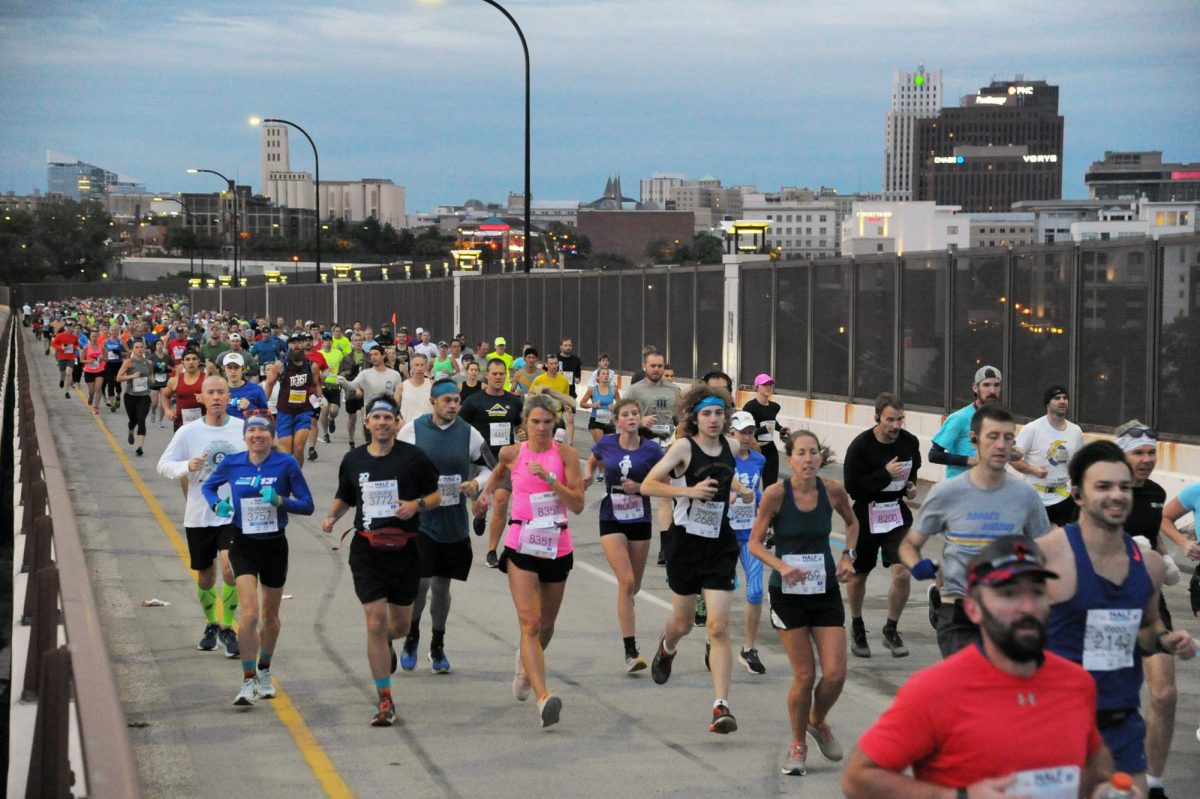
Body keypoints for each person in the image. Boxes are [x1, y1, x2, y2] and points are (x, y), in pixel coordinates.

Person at [843, 536, 1117, 798]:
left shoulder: (1077, 682)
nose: (1027, 606)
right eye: (1008, 593)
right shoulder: (934, 690)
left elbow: (1095, 764)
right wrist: (959, 796)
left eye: (1037, 592)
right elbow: (859, 779)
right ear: (973, 608)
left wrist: (1105, 789)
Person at [1042, 441, 1196, 796]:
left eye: (1123, 487)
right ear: (1077, 494)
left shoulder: (1151, 565)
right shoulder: (1046, 556)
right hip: (1054, 727)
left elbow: (1145, 630)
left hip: (1121, 725)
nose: (1117, 495)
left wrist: (1163, 640)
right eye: (1104, 486)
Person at [640, 385, 756, 734]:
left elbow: (724, 472)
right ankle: (667, 645)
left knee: (719, 626)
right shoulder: (683, 448)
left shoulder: (733, 446)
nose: (714, 419)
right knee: (685, 621)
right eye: (707, 413)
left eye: (720, 413)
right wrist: (686, 491)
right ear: (695, 417)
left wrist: (738, 487)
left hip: (719, 542)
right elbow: (648, 485)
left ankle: (721, 705)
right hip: (685, 543)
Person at [320, 395, 442, 727]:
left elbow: (436, 496)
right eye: (377, 418)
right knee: (375, 621)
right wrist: (332, 518)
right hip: (367, 549)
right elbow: (346, 496)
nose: (383, 423)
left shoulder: (414, 458)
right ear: (368, 423)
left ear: (397, 422)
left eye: (389, 417)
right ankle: (385, 699)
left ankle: (387, 641)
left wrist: (415, 504)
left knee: (399, 626)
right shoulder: (353, 459)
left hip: (406, 548)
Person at [901, 404, 1051, 657]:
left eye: (1008, 438)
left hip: (1006, 613)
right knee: (968, 690)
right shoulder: (947, 493)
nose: (1001, 445)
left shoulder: (1025, 495)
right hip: (958, 612)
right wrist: (916, 565)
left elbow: (1046, 549)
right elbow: (909, 545)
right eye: (993, 437)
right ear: (974, 440)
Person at [749, 429, 857, 775]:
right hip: (788, 593)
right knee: (805, 674)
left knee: (837, 672)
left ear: (821, 457)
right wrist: (782, 566)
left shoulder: (833, 490)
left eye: (813, 452)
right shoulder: (776, 494)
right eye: (801, 453)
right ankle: (798, 746)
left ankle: (818, 720)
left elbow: (852, 524)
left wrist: (847, 557)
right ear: (790, 458)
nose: (808, 459)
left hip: (823, 589)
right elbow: (755, 544)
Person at [472, 394, 584, 728]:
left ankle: (524, 666)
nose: (541, 428)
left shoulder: (566, 455)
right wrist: (484, 497)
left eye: (548, 422)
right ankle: (543, 697)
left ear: (555, 424)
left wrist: (551, 479)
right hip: (521, 542)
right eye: (535, 422)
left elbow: (577, 503)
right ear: (524, 424)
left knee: (546, 626)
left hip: (556, 543)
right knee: (530, 623)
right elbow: (498, 473)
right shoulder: (511, 452)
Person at [202, 414, 314, 706]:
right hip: (243, 543)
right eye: (251, 430)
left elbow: (308, 504)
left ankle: (265, 668)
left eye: (262, 430)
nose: (256, 435)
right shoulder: (233, 462)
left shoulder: (286, 464)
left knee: (270, 616)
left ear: (272, 436)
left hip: (275, 545)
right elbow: (207, 486)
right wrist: (218, 503)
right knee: (249, 615)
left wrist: (280, 501)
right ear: (244, 436)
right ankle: (248, 679)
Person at [397, 379, 493, 674]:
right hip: (422, 521)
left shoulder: (469, 433)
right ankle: (411, 636)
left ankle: (437, 645)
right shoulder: (413, 429)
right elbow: (396, 464)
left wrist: (477, 483)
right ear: (433, 401)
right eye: (447, 400)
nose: (453, 405)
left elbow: (492, 467)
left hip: (453, 521)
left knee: (441, 587)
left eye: (456, 401)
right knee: (420, 583)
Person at [156, 376, 247, 659]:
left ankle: (229, 628)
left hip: (233, 514)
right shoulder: (188, 432)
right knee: (206, 575)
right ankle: (212, 625)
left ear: (229, 395)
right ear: (201, 398)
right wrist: (187, 465)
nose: (217, 397)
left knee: (229, 566)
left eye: (221, 392)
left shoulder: (242, 429)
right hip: (199, 513)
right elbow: (163, 465)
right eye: (211, 393)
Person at [1116, 422, 1182, 799]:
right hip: (1106, 604)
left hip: (1150, 603)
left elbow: (1154, 536)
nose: (1146, 460)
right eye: (1138, 452)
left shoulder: (1156, 493)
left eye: (1151, 452)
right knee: (1103, 698)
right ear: (1122, 454)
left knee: (1165, 694)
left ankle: (1153, 782)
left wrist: (1163, 560)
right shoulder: (1105, 492)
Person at [584, 398, 664, 671]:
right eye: (625, 414)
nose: (630, 417)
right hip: (611, 515)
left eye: (635, 414)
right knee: (627, 582)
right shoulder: (607, 442)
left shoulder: (652, 450)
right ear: (617, 420)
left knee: (634, 588)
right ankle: (631, 651)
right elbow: (593, 460)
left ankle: (628, 619)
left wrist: (640, 487)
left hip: (640, 517)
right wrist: (586, 475)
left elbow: (664, 484)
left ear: (640, 419)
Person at [842, 393, 922, 659]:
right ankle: (857, 624)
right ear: (878, 417)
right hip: (865, 514)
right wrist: (884, 474)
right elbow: (853, 487)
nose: (896, 426)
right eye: (890, 420)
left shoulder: (910, 442)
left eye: (900, 419)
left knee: (903, 572)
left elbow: (913, 474)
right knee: (860, 573)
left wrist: (911, 488)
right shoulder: (861, 446)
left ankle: (891, 629)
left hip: (896, 513)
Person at [924, 364, 1003, 627]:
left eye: (996, 385)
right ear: (976, 388)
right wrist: (969, 460)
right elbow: (934, 454)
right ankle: (939, 595)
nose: (992, 390)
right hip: (957, 497)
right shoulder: (959, 418)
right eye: (987, 385)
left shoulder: (999, 419)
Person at [460, 358, 524, 567]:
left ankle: (492, 550)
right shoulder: (473, 402)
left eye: (501, 374)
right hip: (478, 462)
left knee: (502, 502)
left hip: (504, 461)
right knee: (480, 505)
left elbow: (520, 426)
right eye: (494, 374)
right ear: (486, 376)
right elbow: (461, 428)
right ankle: (479, 517)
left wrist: (523, 433)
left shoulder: (514, 401)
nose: (498, 377)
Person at [623, 348, 681, 565]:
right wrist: (639, 422)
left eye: (660, 366)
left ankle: (665, 549)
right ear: (644, 366)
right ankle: (631, 540)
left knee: (666, 498)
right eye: (653, 366)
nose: (657, 370)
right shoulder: (635, 391)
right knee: (639, 495)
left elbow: (681, 418)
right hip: (643, 447)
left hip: (668, 448)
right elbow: (618, 417)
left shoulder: (674, 391)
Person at [727, 411, 768, 674]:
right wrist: (728, 497)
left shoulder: (759, 459)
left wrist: (766, 521)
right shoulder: (722, 458)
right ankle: (713, 638)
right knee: (722, 590)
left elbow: (761, 491)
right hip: (724, 535)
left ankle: (749, 649)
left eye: (751, 432)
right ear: (731, 434)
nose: (747, 437)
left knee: (755, 592)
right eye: (742, 432)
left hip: (750, 534)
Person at [1011, 385, 1084, 526]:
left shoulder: (1076, 431)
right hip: (1035, 498)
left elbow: (1079, 464)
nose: (1062, 401)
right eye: (1057, 398)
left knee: (1068, 543)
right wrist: (1033, 470)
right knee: (1034, 544)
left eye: (1065, 398)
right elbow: (1012, 459)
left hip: (1063, 498)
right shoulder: (1032, 429)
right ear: (1047, 404)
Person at [264, 333, 321, 466]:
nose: (296, 345)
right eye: (293, 342)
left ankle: (296, 477)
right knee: (286, 451)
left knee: (299, 448)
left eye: (299, 342)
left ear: (303, 344)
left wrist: (319, 401)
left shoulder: (311, 366)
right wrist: (263, 404)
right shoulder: (280, 365)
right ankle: (287, 478)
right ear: (288, 345)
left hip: (303, 412)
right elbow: (269, 384)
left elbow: (315, 385)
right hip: (285, 412)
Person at [742, 373, 789, 487]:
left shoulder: (774, 407)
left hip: (770, 449)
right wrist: (762, 430)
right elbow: (744, 431)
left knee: (771, 485)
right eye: (765, 384)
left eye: (770, 384)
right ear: (757, 387)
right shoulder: (749, 407)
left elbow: (772, 422)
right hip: (754, 449)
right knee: (751, 484)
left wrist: (782, 430)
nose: (768, 387)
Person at [115, 337, 153, 456]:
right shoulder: (128, 362)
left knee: (141, 420)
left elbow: (151, 374)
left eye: (141, 347)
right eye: (137, 347)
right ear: (132, 350)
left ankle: (140, 447)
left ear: (144, 349)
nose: (139, 349)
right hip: (130, 396)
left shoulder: (148, 362)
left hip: (144, 396)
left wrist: (152, 378)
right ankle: (131, 429)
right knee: (133, 419)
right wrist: (131, 377)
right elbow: (118, 378)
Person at [579, 365, 619, 443]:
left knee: (610, 445)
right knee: (601, 445)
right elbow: (582, 404)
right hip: (596, 421)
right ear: (598, 377)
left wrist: (614, 406)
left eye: (607, 374)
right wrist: (592, 405)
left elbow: (621, 404)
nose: (606, 375)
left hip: (609, 420)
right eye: (603, 374)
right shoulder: (592, 390)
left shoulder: (614, 390)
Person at [222, 353, 269, 420]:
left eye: (236, 367)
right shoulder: (219, 391)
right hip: (226, 430)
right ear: (224, 369)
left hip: (249, 429)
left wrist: (250, 407)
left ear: (243, 368)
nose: (233, 371)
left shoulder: (256, 390)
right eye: (229, 367)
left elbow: (266, 417)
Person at [318, 334, 345, 445]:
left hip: (334, 386)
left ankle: (331, 419)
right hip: (322, 386)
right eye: (325, 340)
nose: (328, 342)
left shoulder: (338, 353)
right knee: (324, 410)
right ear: (322, 342)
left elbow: (343, 367)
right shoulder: (319, 354)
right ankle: (325, 434)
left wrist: (342, 377)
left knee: (333, 411)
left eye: (329, 340)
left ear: (332, 342)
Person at [396, 353, 432, 426]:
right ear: (411, 367)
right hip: (407, 428)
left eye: (422, 365)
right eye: (417, 365)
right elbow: (394, 408)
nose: (419, 368)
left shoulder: (432, 384)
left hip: (428, 427)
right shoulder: (402, 386)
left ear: (426, 367)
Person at [50, 318, 80, 398]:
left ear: (72, 328)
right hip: (62, 357)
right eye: (67, 326)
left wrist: (77, 348)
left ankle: (67, 392)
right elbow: (53, 344)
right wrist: (61, 348)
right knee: (63, 373)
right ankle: (62, 380)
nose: (69, 328)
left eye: (70, 326)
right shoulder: (60, 336)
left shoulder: (75, 336)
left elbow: (76, 344)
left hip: (71, 357)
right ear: (65, 327)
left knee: (69, 373)